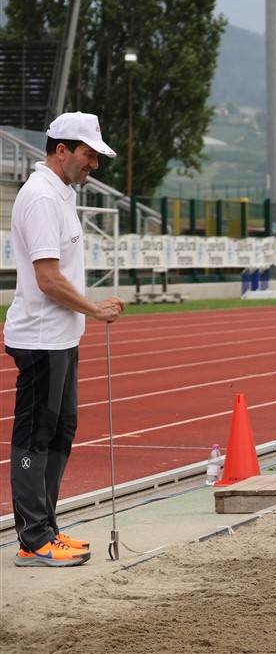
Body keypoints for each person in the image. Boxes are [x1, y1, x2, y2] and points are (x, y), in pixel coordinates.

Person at [4, 112, 126, 567]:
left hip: (61, 337)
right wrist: (93, 308)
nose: (94, 163)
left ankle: (46, 528)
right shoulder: (40, 197)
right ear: (62, 150)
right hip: (41, 338)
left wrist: (88, 311)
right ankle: (33, 538)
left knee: (60, 430)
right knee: (37, 434)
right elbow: (48, 279)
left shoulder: (61, 193)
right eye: (89, 154)